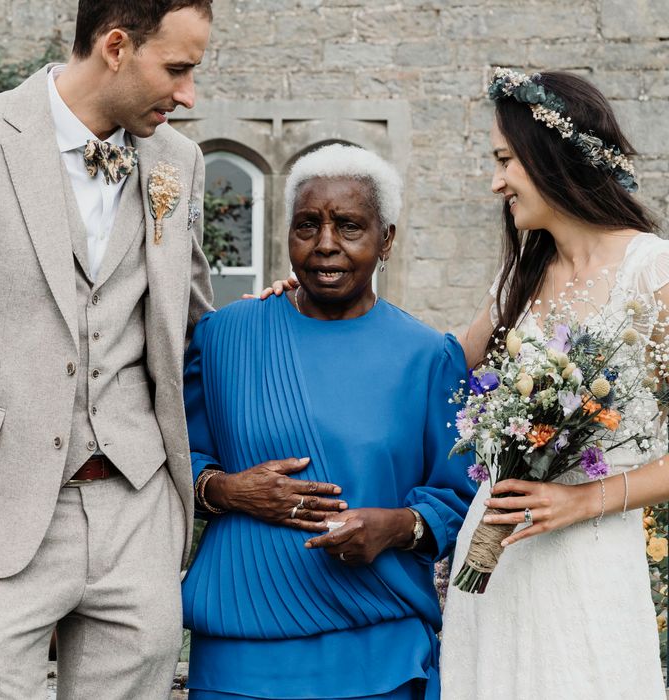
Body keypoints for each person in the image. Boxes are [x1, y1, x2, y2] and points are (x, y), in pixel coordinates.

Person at [0, 1, 214, 697]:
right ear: (114, 47)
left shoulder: (177, 161)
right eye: (178, 68)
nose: (189, 95)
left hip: (136, 510)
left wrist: (292, 311)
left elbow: (196, 324)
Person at [181, 143, 476, 700]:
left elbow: (459, 497)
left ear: (386, 239)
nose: (325, 245)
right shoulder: (225, 338)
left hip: (378, 648)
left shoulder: (427, 356)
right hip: (239, 648)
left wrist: (394, 526)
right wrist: (228, 491)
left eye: (349, 226)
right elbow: (177, 460)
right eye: (307, 226)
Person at [439, 68, 667, 699]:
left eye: (505, 160)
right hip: (493, 561)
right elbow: (433, 368)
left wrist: (581, 501)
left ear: (553, 156)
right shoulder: (519, 280)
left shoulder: (652, 273)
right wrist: (310, 307)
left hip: (587, 561)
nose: (496, 182)